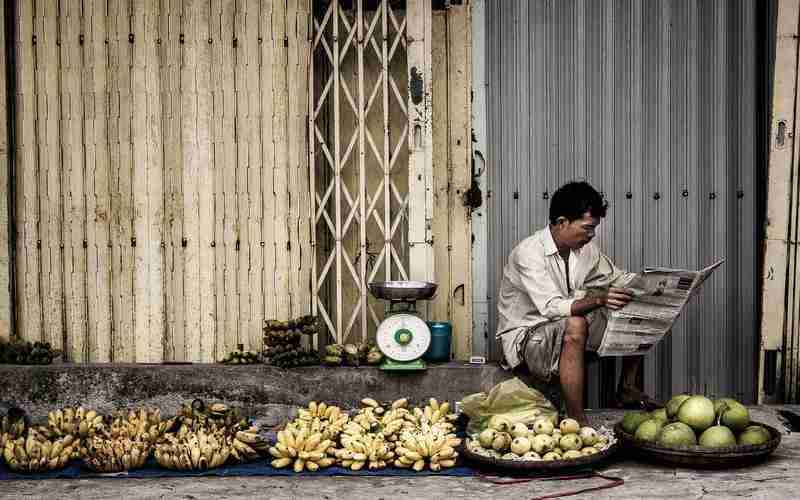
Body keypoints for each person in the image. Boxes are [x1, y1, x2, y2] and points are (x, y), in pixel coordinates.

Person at [495, 181, 656, 425]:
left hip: (562, 329)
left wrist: (657, 286)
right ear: (562, 223)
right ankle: (577, 420)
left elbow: (617, 278)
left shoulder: (585, 250)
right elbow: (552, 307)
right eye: (587, 228)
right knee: (576, 324)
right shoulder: (528, 253)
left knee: (633, 306)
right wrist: (600, 298)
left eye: (594, 229)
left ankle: (627, 388)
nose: (591, 235)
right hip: (528, 339)